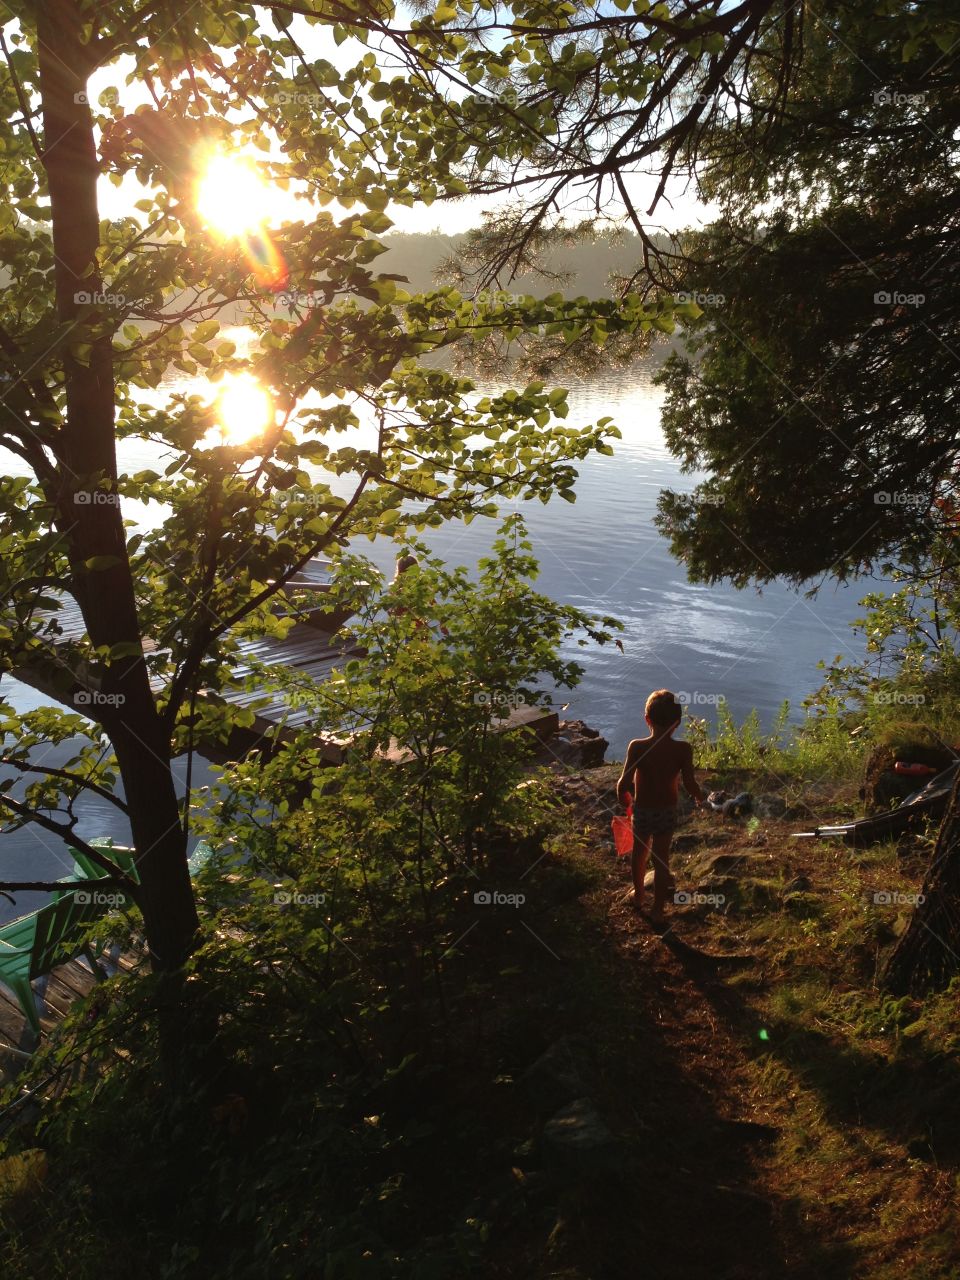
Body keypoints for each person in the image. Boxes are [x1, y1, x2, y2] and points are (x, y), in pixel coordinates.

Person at [616, 689, 705, 926]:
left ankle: (639, 895)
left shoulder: (637, 747)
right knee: (661, 858)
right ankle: (657, 909)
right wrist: (700, 797)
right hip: (667, 811)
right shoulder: (683, 749)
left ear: (647, 719)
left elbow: (623, 783)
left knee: (639, 854)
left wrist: (624, 799)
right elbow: (689, 783)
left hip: (643, 811)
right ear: (677, 723)